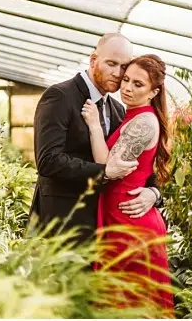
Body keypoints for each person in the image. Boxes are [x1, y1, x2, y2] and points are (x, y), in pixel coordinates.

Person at [28, 33, 162, 242]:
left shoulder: (117, 109)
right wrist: (103, 172)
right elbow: (48, 161)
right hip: (62, 224)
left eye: (124, 66)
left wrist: (154, 193)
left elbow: (135, 159)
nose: (118, 73)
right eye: (111, 63)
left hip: (103, 225)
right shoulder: (60, 96)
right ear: (93, 60)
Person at [81, 53, 174, 313]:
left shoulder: (144, 121)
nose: (128, 88)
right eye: (127, 80)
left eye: (138, 84)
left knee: (131, 304)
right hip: (119, 216)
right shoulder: (130, 114)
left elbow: (107, 164)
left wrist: (94, 126)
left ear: (154, 92)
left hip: (131, 224)